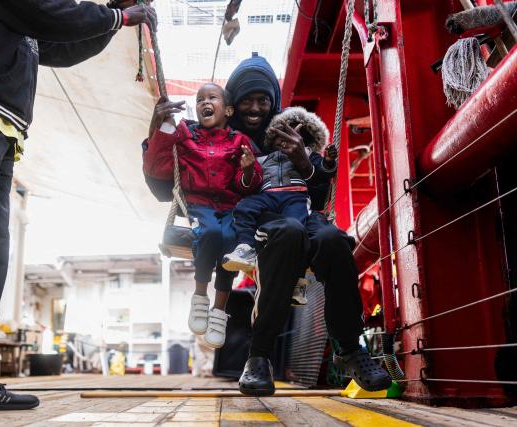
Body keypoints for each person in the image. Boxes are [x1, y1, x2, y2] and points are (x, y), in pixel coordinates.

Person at [0, 0, 157, 423]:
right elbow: (49, 15)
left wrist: (112, 17)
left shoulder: (19, 16)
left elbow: (56, 44)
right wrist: (119, 16)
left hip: (4, 123)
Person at [144, 53, 391, 396]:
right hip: (255, 219)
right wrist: (156, 130)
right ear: (232, 104)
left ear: (274, 102)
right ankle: (258, 357)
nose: (255, 108)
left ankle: (349, 350)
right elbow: (164, 183)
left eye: (263, 100)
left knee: (334, 240)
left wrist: (306, 162)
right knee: (285, 235)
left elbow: (318, 192)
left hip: (301, 211)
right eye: (246, 100)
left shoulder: (291, 131)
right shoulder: (218, 138)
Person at [143, 83, 262, 349]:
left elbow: (249, 187)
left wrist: (247, 170)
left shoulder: (239, 142)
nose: (204, 103)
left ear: (228, 110)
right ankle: (199, 297)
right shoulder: (185, 137)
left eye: (211, 98)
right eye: (199, 100)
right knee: (209, 233)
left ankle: (219, 311)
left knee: (230, 241)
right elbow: (156, 167)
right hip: (199, 205)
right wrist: (161, 128)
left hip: (231, 207)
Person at [222, 106, 338, 273]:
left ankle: (297, 275)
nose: (286, 140)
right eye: (280, 135)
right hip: (268, 196)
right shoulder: (264, 157)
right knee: (244, 207)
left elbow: (322, 171)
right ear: (272, 138)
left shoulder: (307, 154)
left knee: (296, 228)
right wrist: (246, 167)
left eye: (296, 136)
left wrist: (327, 161)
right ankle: (245, 246)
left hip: (295, 196)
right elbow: (250, 175)